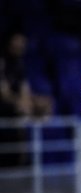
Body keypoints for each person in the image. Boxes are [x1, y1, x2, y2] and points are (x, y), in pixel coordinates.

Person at [0, 30, 52, 167]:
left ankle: (31, 154)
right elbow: (4, 93)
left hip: (16, 104)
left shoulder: (20, 64)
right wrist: (22, 102)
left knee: (45, 103)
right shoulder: (2, 62)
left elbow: (25, 90)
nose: (20, 46)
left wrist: (35, 101)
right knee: (22, 108)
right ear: (9, 43)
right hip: (4, 105)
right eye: (17, 42)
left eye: (22, 43)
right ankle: (18, 157)